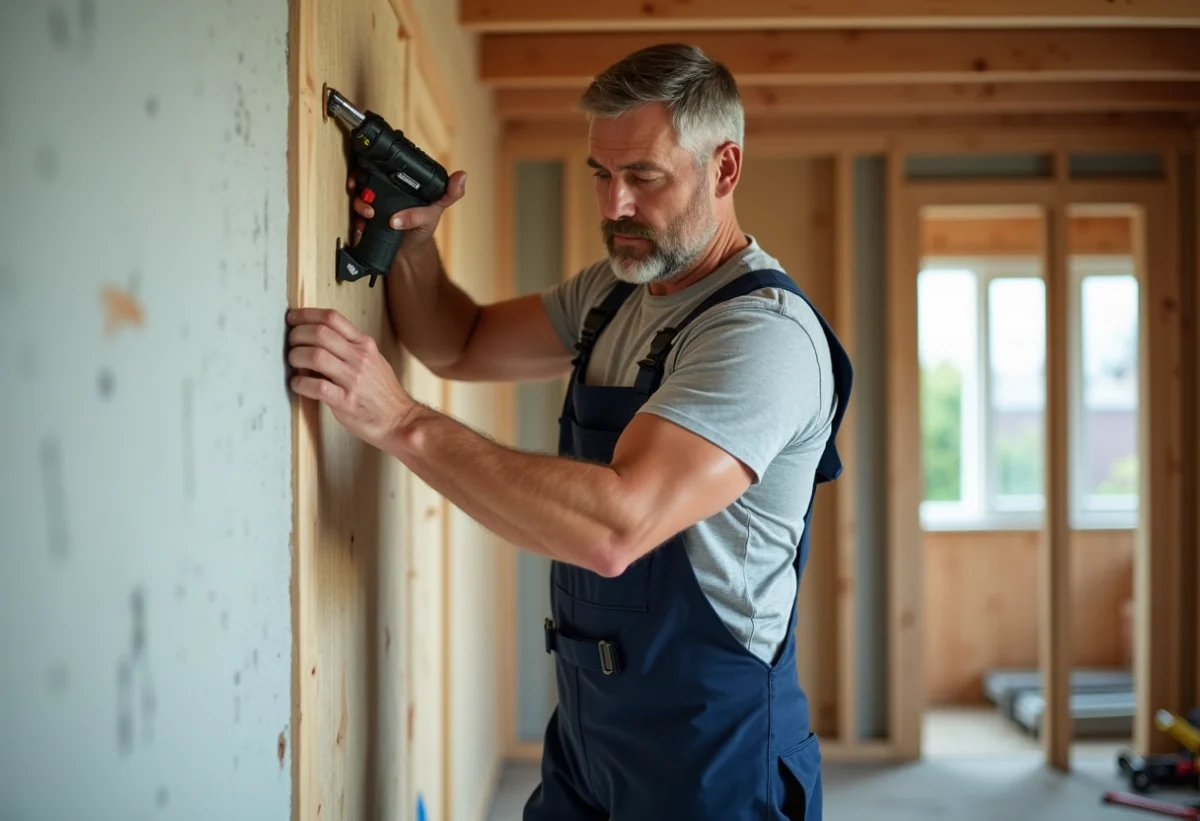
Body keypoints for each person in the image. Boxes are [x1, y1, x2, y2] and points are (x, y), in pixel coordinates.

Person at [285, 42, 852, 821]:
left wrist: (400, 421)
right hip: (592, 732)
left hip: (710, 756)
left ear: (724, 169)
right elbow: (460, 340)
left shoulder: (762, 337)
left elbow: (617, 527)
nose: (613, 205)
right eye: (600, 174)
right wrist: (413, 240)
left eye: (644, 177)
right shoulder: (615, 294)